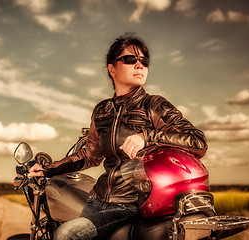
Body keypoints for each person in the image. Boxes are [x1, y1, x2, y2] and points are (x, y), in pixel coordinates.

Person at [28, 33, 208, 240]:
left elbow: (197, 141)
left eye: (144, 60)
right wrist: (48, 169)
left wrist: (146, 136)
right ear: (112, 68)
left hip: (131, 205)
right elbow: (89, 156)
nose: (140, 65)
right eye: (131, 59)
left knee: (66, 235)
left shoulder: (154, 105)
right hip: (97, 201)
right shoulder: (102, 110)